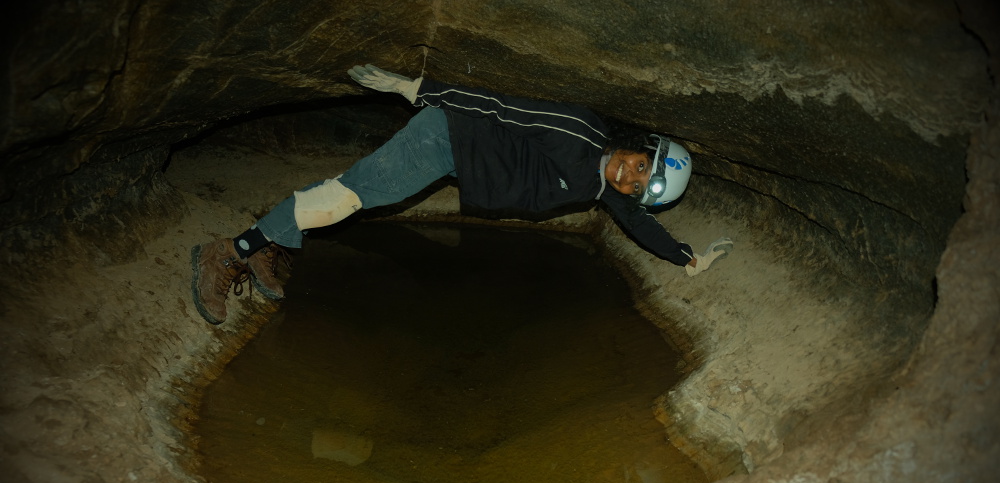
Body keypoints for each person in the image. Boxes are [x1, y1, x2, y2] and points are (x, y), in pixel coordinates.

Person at [190, 64, 733, 325]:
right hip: (445, 138)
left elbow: (640, 224)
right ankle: (228, 252)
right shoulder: (582, 132)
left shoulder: (603, 188)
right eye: (641, 164)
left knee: (348, 197)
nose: (629, 178)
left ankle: (264, 244)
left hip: (458, 161)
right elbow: (503, 106)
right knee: (346, 199)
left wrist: (685, 257)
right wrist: (418, 90)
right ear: (640, 147)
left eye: (641, 185)